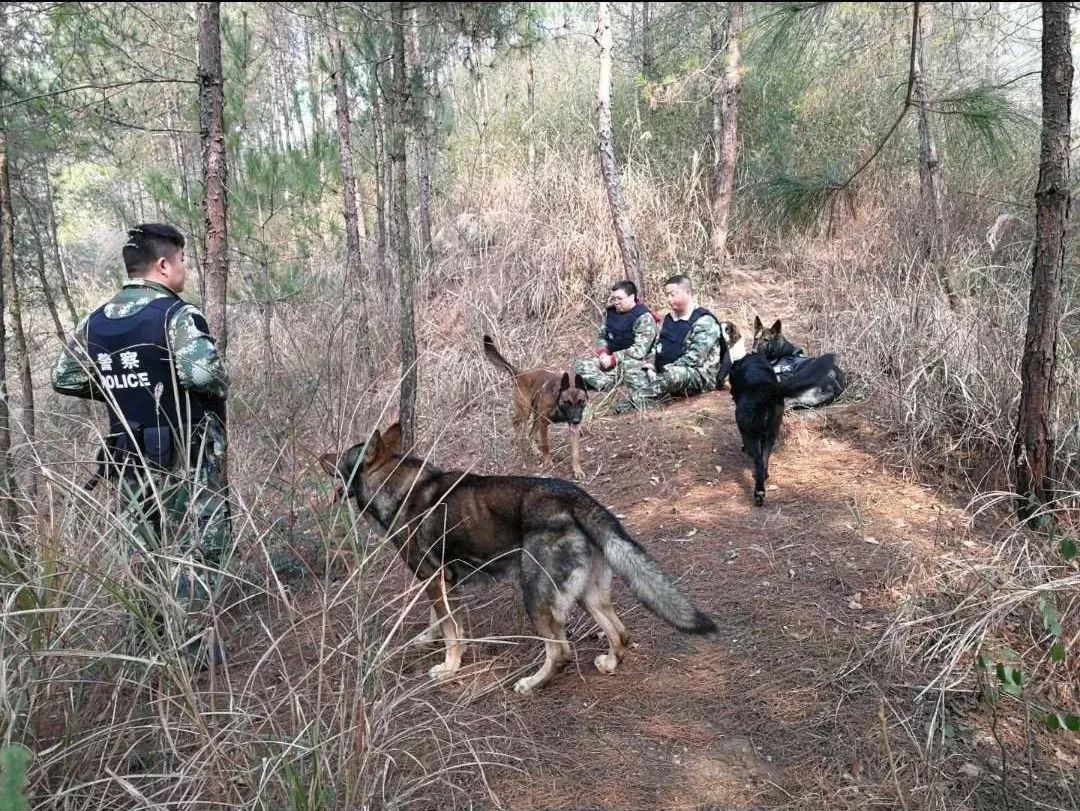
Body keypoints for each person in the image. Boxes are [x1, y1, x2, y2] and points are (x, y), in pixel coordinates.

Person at [52, 223, 231, 666]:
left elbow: (64, 376)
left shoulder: (96, 320)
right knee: (195, 545)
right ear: (164, 264)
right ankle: (191, 650)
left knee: (143, 550)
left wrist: (118, 389)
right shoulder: (176, 315)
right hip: (184, 457)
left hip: (127, 456)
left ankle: (147, 645)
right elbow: (204, 375)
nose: (184, 269)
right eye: (182, 260)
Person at [615, 274, 726, 413]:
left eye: (672, 294)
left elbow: (694, 358)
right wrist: (650, 366)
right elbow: (656, 346)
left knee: (674, 374)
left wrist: (666, 371)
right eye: (667, 295)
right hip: (664, 373)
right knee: (630, 364)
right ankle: (654, 398)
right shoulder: (668, 319)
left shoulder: (704, 321)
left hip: (697, 375)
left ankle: (635, 400)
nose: (668, 299)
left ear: (687, 292)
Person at [572, 280, 659, 392]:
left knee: (631, 369)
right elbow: (602, 337)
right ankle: (608, 385)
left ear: (631, 297)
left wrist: (614, 359)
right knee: (580, 364)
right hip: (610, 360)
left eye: (620, 298)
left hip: (634, 362)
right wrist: (603, 353)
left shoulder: (643, 317)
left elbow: (639, 350)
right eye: (614, 299)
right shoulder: (612, 313)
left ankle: (605, 382)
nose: (616, 302)